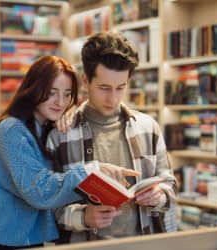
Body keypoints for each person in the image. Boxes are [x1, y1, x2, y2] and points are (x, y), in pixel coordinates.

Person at [0, 55, 139, 249]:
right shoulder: (11, 130)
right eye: (52, 92)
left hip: (29, 239)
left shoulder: (44, 128)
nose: (60, 102)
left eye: (67, 94)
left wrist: (71, 113)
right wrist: (91, 170)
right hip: (4, 242)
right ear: (34, 88)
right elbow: (39, 191)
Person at [46, 31, 178, 243]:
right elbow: (48, 207)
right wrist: (83, 216)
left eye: (121, 87)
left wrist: (160, 196)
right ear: (86, 81)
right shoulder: (60, 135)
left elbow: (170, 185)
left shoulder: (148, 128)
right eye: (104, 88)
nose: (113, 98)